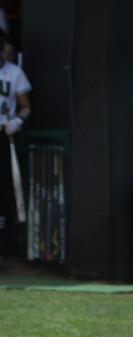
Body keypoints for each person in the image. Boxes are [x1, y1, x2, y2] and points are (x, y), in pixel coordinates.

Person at [0, 32, 32, 263]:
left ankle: (4, 247)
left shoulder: (13, 72)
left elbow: (25, 107)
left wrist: (18, 121)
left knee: (5, 190)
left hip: (3, 133)